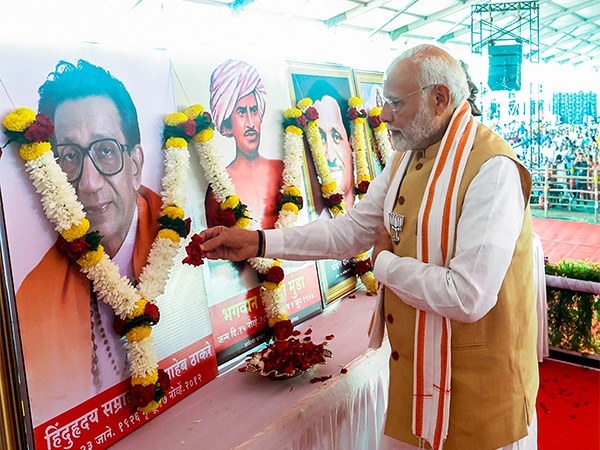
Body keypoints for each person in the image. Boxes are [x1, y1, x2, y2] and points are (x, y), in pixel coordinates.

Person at [199, 44, 538, 450]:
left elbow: (468, 296)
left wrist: (385, 265)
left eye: (395, 102)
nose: (385, 116)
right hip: (417, 381)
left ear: (440, 98)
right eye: (384, 102)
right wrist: (258, 240)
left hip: (479, 400)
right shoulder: (404, 160)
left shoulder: (492, 169)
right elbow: (348, 232)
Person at [16, 60, 163, 425]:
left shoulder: (181, 242)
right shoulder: (32, 301)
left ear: (136, 164)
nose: (90, 183)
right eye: (69, 157)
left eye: (106, 150)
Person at [206, 60, 283, 229]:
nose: (250, 123)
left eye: (254, 111)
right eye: (241, 112)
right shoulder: (218, 187)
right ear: (227, 127)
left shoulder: (281, 170)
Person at [306, 80, 355, 214]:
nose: (330, 156)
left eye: (336, 137)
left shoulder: (372, 202)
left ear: (351, 144)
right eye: (320, 138)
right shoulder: (310, 219)